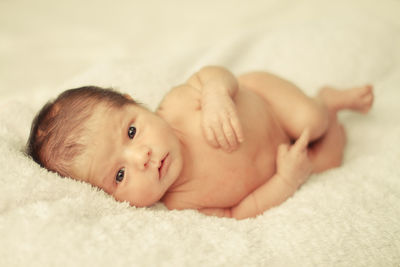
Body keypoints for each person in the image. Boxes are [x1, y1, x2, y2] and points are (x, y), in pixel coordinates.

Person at [27, 66, 374, 219]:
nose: (141, 157)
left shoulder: (177, 104)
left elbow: (215, 74)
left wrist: (216, 94)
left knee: (309, 121)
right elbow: (239, 211)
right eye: (119, 176)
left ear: (134, 102)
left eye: (132, 132)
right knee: (326, 161)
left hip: (267, 101)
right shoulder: (182, 202)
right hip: (280, 157)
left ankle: (323, 103)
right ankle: (332, 107)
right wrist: (285, 181)